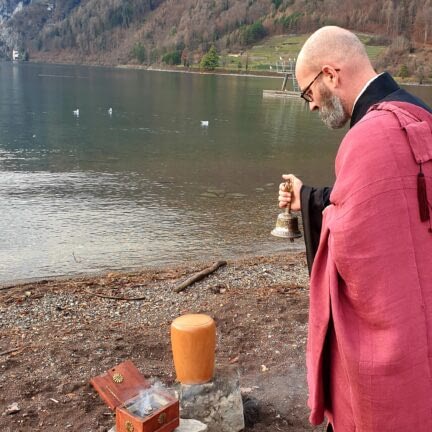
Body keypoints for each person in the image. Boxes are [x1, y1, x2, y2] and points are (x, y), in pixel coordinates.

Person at [278, 26, 432, 431]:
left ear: (330, 74)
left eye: (307, 92)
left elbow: (348, 243)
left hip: (396, 328)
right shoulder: (421, 115)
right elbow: (381, 204)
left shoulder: (368, 137)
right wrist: (308, 196)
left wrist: (314, 207)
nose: (310, 106)